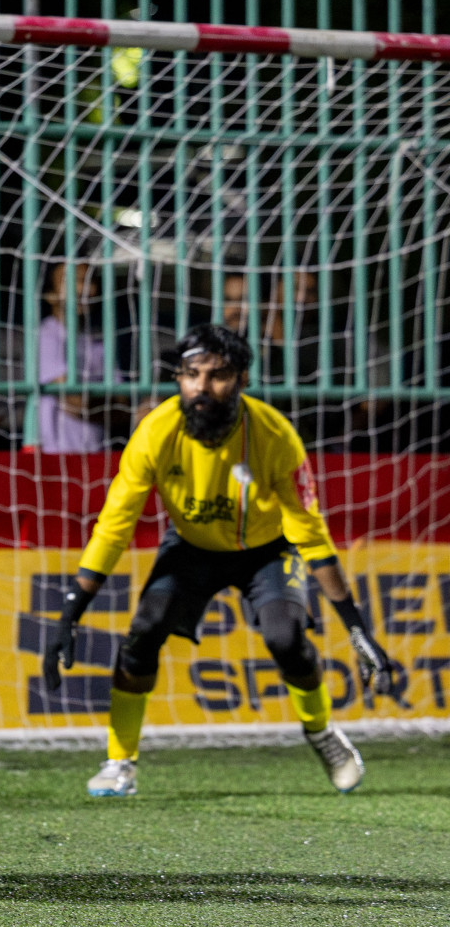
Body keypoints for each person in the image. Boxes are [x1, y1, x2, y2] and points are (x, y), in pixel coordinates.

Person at [43, 324, 396, 798]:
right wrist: (71, 613)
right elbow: (114, 525)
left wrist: (356, 627)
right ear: (178, 379)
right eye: (191, 375)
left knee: (285, 637)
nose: (202, 387)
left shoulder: (274, 435)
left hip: (267, 551)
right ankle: (119, 761)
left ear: (243, 380)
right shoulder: (155, 432)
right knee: (144, 629)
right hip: (191, 547)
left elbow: (310, 533)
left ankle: (322, 734)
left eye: (218, 375)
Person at [37, 262, 107, 452]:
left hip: (96, 453)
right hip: (55, 455)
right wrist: (107, 404)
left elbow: (125, 404)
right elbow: (77, 403)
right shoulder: (47, 336)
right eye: (73, 281)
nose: (83, 289)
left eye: (88, 281)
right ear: (50, 295)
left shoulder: (98, 342)